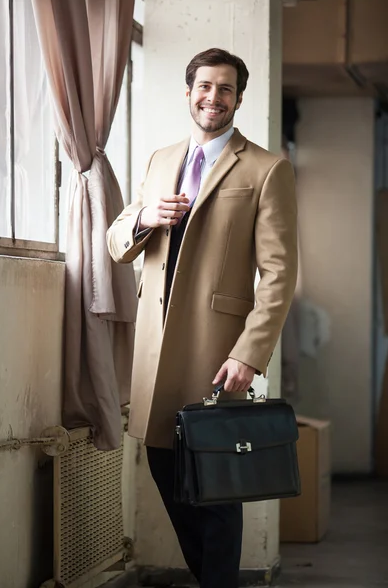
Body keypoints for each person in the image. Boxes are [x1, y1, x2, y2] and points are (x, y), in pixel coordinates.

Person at [107, 48, 297, 588]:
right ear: (189, 92)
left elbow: (279, 275)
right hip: (154, 348)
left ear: (239, 98)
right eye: (205, 86)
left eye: (226, 89)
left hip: (215, 353)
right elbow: (118, 243)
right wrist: (145, 216)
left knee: (215, 488)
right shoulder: (160, 160)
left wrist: (249, 353)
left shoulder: (266, 169)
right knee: (169, 478)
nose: (214, 97)